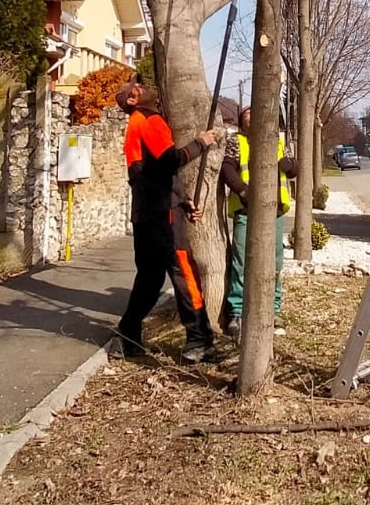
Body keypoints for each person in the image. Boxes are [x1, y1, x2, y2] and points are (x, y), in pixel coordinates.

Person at [113, 80, 219, 363]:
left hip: (146, 212)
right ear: (133, 100)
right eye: (137, 87)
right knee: (184, 271)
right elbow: (168, 160)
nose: (144, 86)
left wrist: (182, 201)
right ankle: (200, 340)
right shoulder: (150, 119)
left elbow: (152, 173)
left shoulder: (135, 123)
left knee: (149, 278)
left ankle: (127, 334)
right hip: (162, 214)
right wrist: (200, 143)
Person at [219, 106, 297, 335]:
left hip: (274, 211)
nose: (252, 119)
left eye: (255, 114)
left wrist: (289, 164)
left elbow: (294, 168)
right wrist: (243, 191)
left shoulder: (277, 141)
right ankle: (236, 311)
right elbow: (227, 169)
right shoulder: (237, 142)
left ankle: (273, 310)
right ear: (242, 123)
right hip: (247, 210)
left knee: (274, 263)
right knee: (241, 262)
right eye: (247, 116)